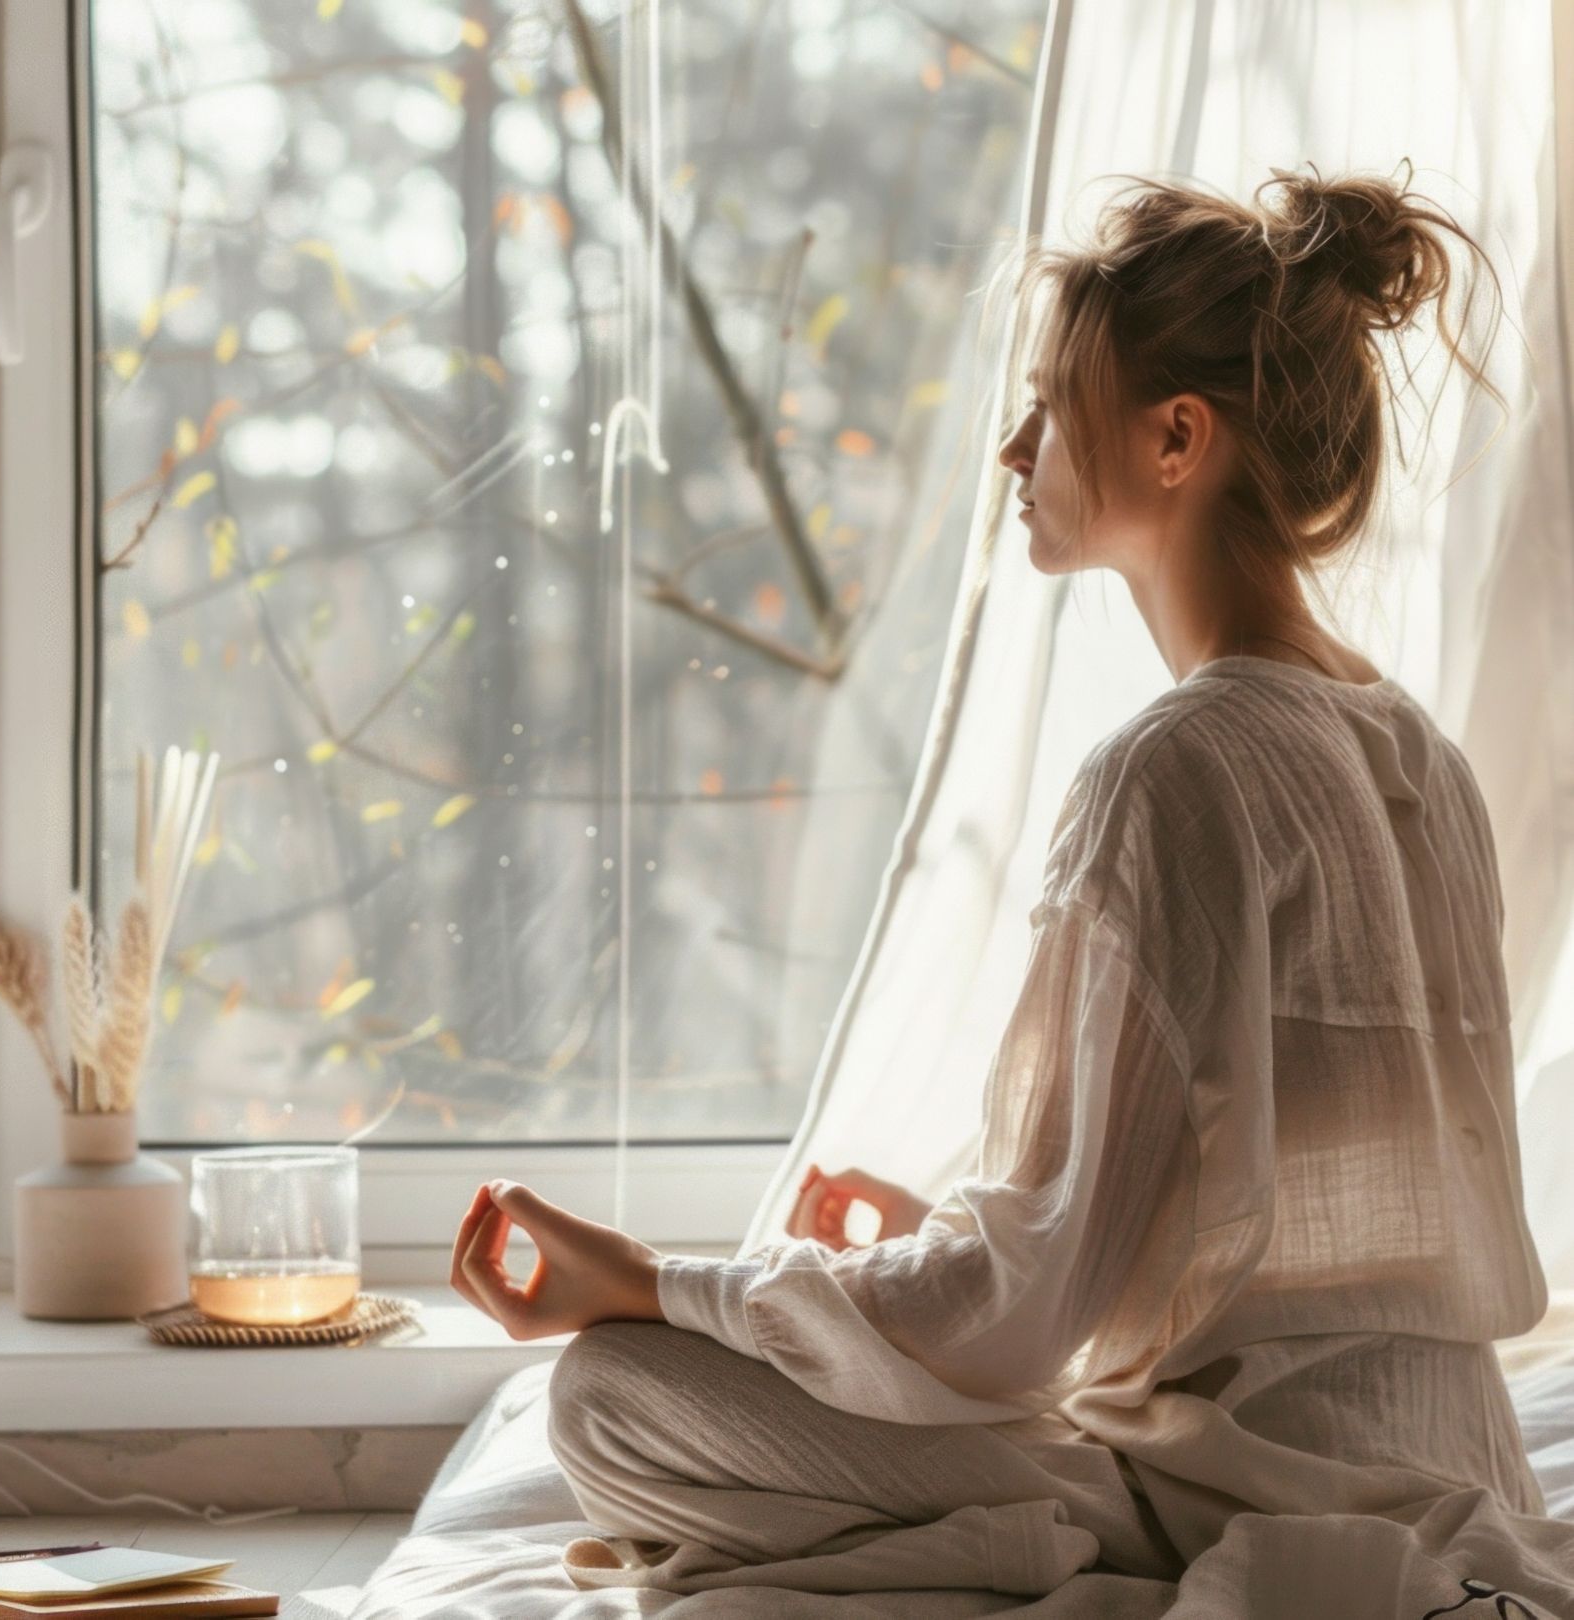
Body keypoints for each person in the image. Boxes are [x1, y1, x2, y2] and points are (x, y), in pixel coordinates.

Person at [447, 163, 1574, 1616]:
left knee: (608, 1394)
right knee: (788, 1357)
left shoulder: (1176, 768)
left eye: (1050, 403)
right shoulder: (1420, 753)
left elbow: (1026, 1310)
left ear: (1178, 437)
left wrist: (662, 1286)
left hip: (1232, 1487)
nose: (1012, 447)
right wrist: (925, 1229)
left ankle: (1080, 1549)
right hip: (1463, 1467)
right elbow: (1278, 1224)